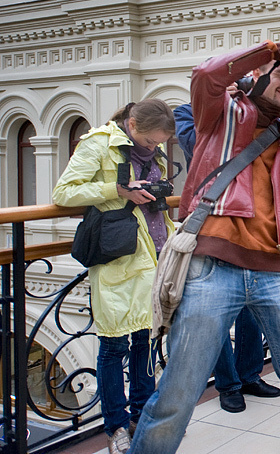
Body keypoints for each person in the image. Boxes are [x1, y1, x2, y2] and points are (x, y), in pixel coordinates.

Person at [129, 39, 280, 454]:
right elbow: (206, 75)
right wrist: (278, 49)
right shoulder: (221, 114)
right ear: (255, 74)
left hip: (278, 270)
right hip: (213, 265)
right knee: (177, 397)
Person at [53, 99, 177, 454]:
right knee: (113, 346)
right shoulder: (99, 143)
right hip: (118, 259)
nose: (154, 148)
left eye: (158, 144)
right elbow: (64, 193)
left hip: (152, 256)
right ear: (133, 125)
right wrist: (116, 190)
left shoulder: (151, 153)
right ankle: (116, 427)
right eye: (152, 141)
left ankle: (144, 417)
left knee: (144, 342)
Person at [173, 102, 280, 413]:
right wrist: (225, 111)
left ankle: (249, 375)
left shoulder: (251, 114)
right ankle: (228, 385)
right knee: (216, 311)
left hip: (250, 224)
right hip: (212, 226)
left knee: (251, 309)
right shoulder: (188, 113)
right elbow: (201, 148)